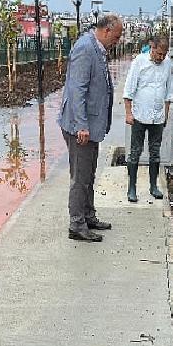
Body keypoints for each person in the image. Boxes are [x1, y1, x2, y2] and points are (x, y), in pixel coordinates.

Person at [58, 15, 123, 242]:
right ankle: (77, 225)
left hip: (91, 126)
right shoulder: (85, 48)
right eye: (116, 37)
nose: (117, 41)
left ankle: (88, 215)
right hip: (81, 128)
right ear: (106, 31)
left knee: (89, 174)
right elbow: (77, 90)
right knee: (80, 177)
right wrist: (81, 126)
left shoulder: (97, 48)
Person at [123, 36, 173, 202]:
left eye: (164, 54)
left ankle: (153, 186)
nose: (161, 57)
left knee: (155, 152)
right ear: (152, 48)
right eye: (158, 53)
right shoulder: (139, 61)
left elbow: (168, 92)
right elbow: (129, 88)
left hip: (157, 116)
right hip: (139, 115)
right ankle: (132, 188)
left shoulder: (167, 64)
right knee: (135, 152)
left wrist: (165, 114)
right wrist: (128, 113)